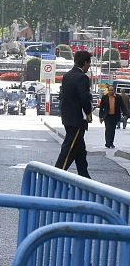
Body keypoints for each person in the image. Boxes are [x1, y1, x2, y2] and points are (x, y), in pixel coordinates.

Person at [54, 50, 93, 178]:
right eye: (89, 63)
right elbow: (84, 98)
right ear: (85, 62)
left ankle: (85, 178)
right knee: (69, 149)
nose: (89, 67)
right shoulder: (82, 77)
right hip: (77, 119)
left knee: (80, 151)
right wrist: (88, 113)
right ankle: (56, 177)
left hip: (68, 117)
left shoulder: (67, 75)